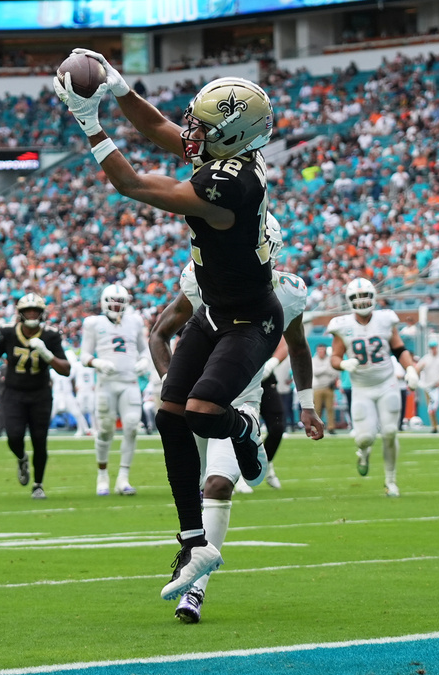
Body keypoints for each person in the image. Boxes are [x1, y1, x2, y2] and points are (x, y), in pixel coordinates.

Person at [55, 50, 280, 600]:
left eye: (202, 127)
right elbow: (160, 128)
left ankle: (246, 431)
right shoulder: (232, 153)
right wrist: (119, 87)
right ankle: (193, 542)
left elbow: (134, 185)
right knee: (169, 414)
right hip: (213, 310)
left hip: (249, 319)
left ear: (230, 136)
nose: (191, 133)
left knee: (203, 412)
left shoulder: (231, 184)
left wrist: (89, 122)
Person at [150, 238, 323, 623]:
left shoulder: (287, 293)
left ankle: (195, 589)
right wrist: (169, 384)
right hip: (192, 400)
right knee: (191, 485)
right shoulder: (200, 279)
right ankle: (193, 544)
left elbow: (297, 346)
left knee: (217, 485)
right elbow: (159, 333)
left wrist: (307, 404)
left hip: (240, 400)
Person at [327, 278, 419, 496]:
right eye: (357, 297)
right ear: (349, 300)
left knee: (390, 432)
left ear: (373, 297)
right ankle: (363, 452)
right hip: (361, 388)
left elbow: (399, 349)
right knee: (364, 438)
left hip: (387, 383)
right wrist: (343, 364)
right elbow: (335, 357)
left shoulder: (385, 320)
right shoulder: (342, 325)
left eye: (365, 296)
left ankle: (391, 481)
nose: (361, 301)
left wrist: (411, 369)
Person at [0, 293, 70, 499]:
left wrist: (47, 354)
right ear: (20, 313)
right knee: (13, 436)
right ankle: (22, 458)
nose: (32, 314)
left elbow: (66, 369)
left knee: (39, 440)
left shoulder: (50, 335)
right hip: (13, 392)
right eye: (28, 311)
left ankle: (38, 484)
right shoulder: (8, 333)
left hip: (40, 393)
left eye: (35, 311)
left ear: (42, 313)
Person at [80, 284, 149, 495]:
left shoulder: (135, 321)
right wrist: (97, 363)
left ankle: (123, 478)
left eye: (120, 303)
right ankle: (102, 476)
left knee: (132, 427)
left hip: (129, 382)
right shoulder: (94, 323)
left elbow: (144, 349)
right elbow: (84, 356)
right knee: (105, 430)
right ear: (104, 303)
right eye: (113, 303)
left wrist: (144, 361)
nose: (116, 307)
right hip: (106, 383)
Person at [417, 340, 439, 434]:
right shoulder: (425, 359)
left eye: (434, 347)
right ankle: (434, 426)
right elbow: (417, 369)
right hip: (429, 386)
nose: (433, 349)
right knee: (431, 407)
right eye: (431, 347)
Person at [311, 344, 338, 434]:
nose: (321, 352)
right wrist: (326, 368)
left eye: (322, 350)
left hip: (328, 387)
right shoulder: (314, 360)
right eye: (319, 350)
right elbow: (315, 372)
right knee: (317, 409)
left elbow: (334, 373)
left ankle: (331, 427)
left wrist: (323, 370)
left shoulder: (330, 359)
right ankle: (316, 428)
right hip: (317, 388)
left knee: (330, 408)